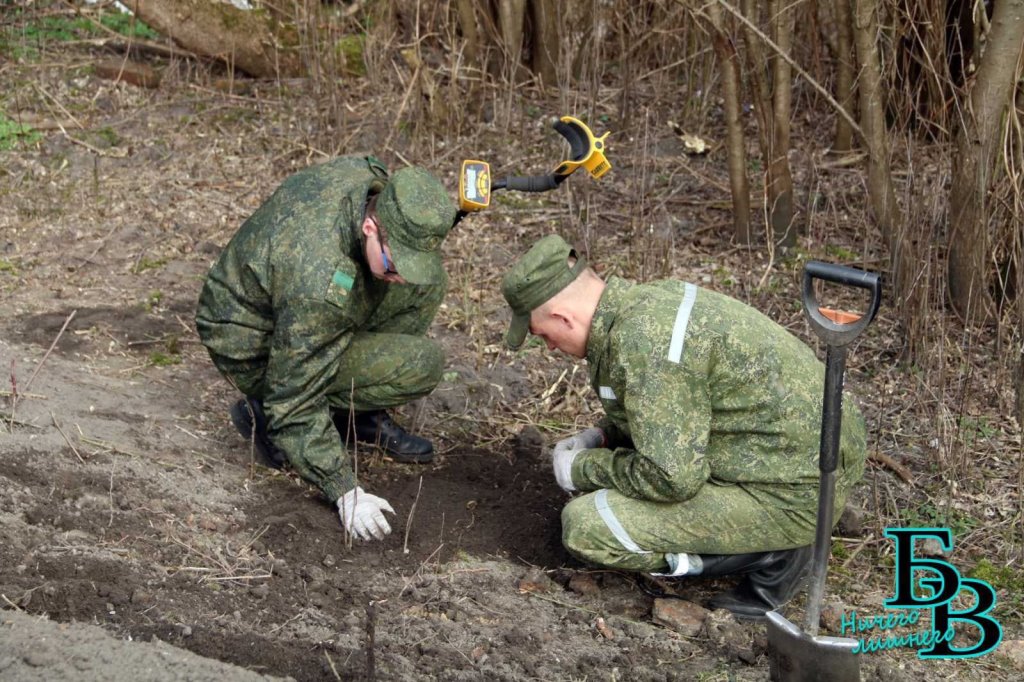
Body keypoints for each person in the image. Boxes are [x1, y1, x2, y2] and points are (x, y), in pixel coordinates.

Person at [500, 235, 867, 619]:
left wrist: (583, 469)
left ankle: (778, 553)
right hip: (801, 455)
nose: (550, 348)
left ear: (563, 317)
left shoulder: (644, 345)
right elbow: (675, 408)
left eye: (543, 335)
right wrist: (603, 436)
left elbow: (671, 477)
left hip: (796, 491)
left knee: (588, 525)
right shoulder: (647, 304)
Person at [196, 155, 456, 543]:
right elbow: (294, 401)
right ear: (370, 226)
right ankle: (262, 412)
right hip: (250, 343)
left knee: (426, 284)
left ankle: (360, 413)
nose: (397, 277)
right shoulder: (321, 287)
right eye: (393, 265)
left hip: (276, 294)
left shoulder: (372, 186)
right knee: (423, 364)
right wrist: (344, 489)